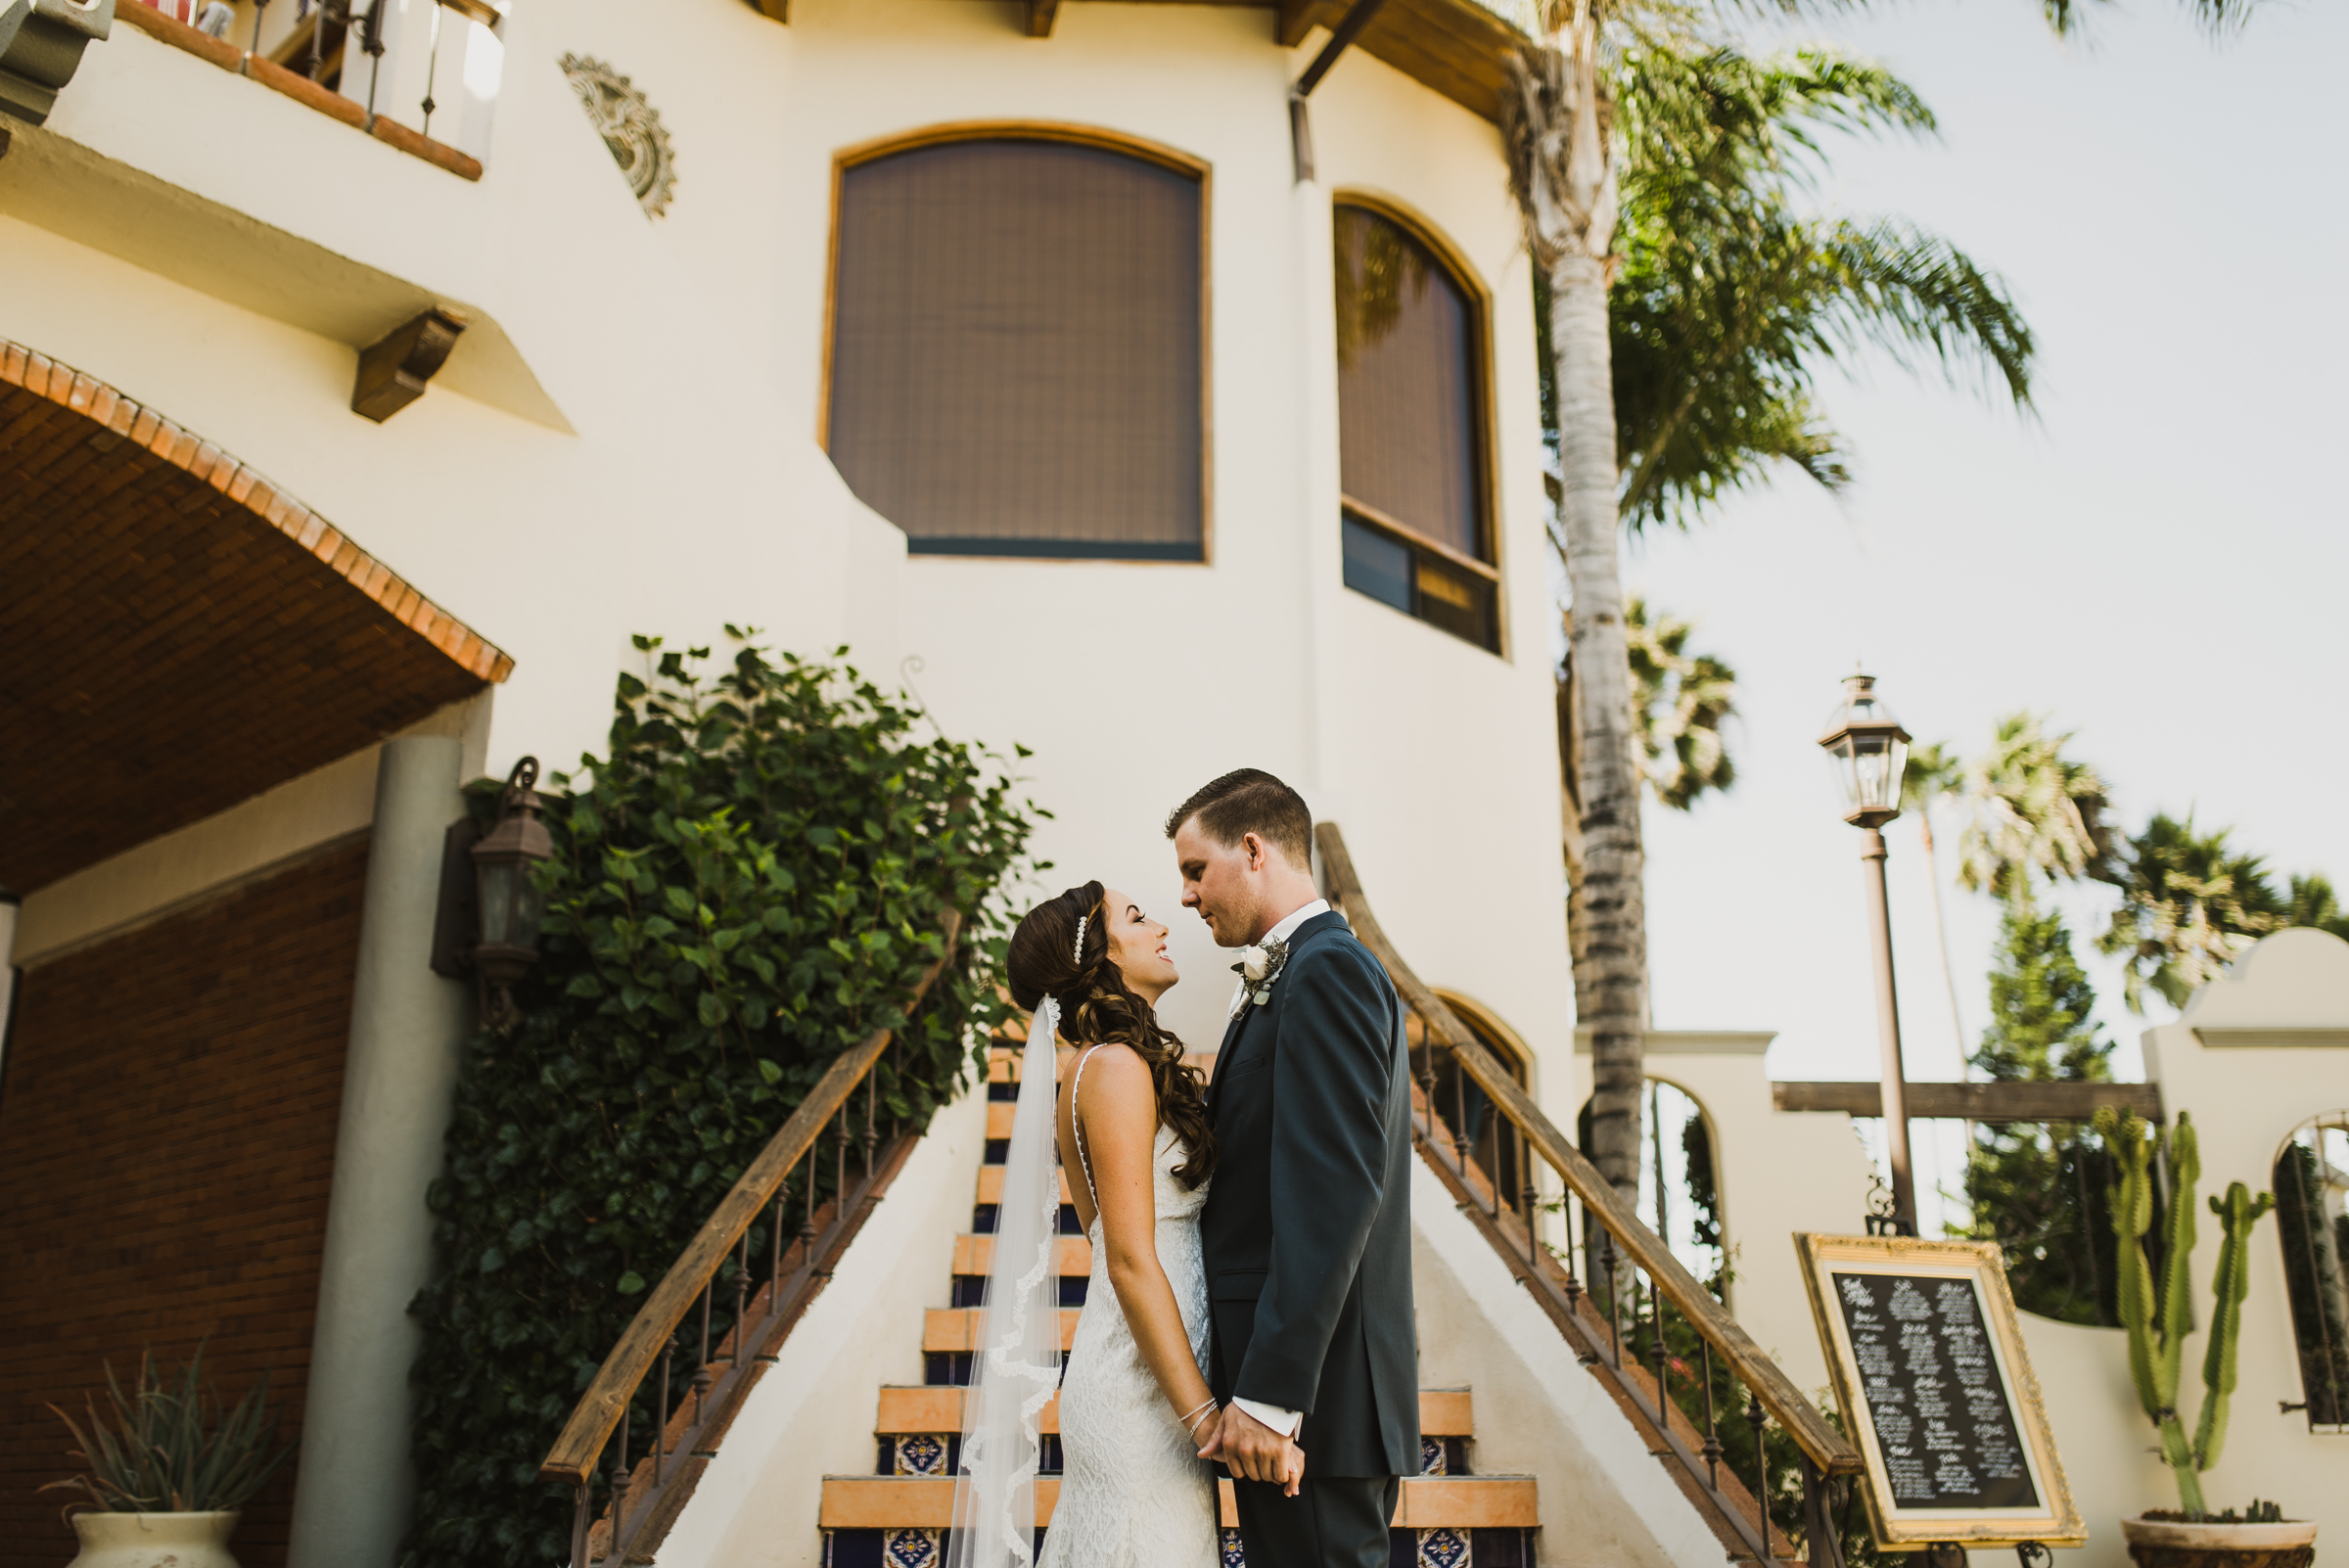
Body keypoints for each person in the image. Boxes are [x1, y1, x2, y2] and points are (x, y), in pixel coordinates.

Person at [950, 878, 1296, 1568]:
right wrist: (1203, 1415)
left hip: (1152, 1383)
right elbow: (1127, 1258)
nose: (1161, 925)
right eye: (1136, 919)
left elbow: (1104, 1229)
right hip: (1144, 1399)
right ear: (1098, 962)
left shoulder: (1099, 1066)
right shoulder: (1111, 1069)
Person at [1170, 769, 1418, 1568]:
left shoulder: (1327, 971)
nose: (1185, 896)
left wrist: (1272, 1399)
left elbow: (1332, 1196)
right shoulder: (1290, 976)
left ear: (1251, 850)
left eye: (1194, 870)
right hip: (1298, 1401)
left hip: (1312, 1406)